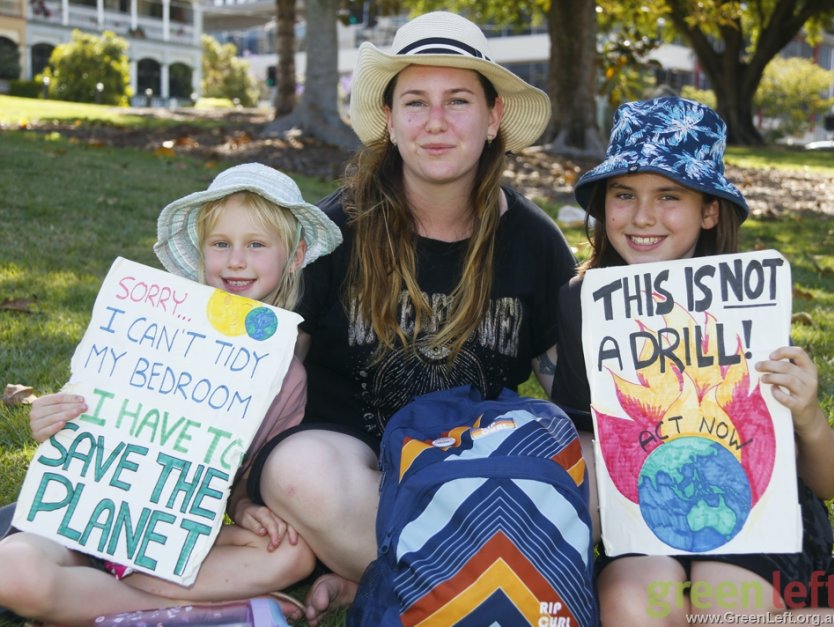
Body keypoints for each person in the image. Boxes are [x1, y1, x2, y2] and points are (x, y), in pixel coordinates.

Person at [245, 11, 577, 624]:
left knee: (579, 449)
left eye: (458, 101)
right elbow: (267, 375)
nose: (437, 124)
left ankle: (369, 577)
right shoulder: (331, 232)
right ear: (391, 122)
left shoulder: (535, 243)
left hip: (474, 476)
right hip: (353, 477)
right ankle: (476, 585)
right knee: (294, 470)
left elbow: (573, 401)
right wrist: (238, 497)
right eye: (416, 103)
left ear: (493, 116)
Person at [0, 163, 342, 626]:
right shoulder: (149, 326)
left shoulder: (287, 377)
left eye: (256, 245)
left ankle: (85, 597)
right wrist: (49, 418)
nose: (236, 260)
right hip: (81, 519)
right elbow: (83, 413)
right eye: (221, 244)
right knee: (12, 574)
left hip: (168, 537)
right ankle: (209, 610)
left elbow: (243, 474)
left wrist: (243, 506)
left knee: (292, 555)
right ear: (202, 252)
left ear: (295, 255)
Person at [550, 96, 834, 623]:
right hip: (645, 522)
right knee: (628, 598)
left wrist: (808, 416)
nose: (643, 216)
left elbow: (830, 482)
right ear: (604, 205)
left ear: (709, 210)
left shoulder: (754, 302)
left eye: (669, 196)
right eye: (624, 194)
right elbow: (586, 443)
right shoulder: (584, 304)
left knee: (719, 601)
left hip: (760, 525)